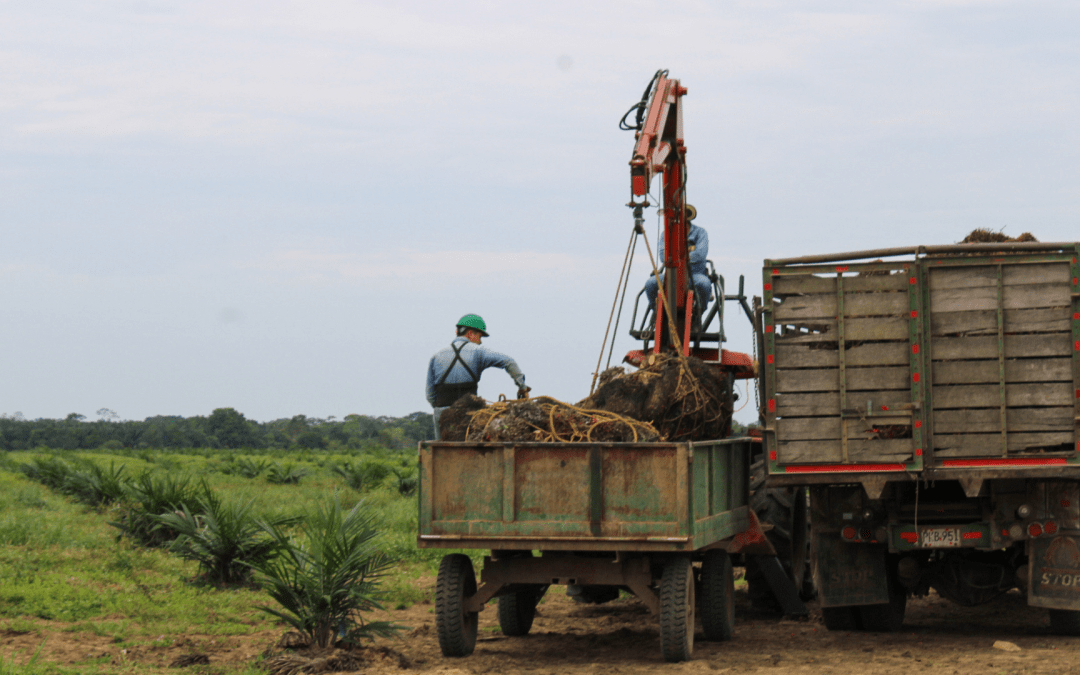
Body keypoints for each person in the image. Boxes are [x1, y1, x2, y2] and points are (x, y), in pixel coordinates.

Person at [425, 314, 530, 440]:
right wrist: (522, 387)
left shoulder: (436, 356)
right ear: (470, 334)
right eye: (480, 337)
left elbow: (430, 394)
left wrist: (441, 409)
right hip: (468, 413)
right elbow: (509, 362)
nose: (480, 342)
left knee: (442, 452)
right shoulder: (478, 351)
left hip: (442, 414)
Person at [643, 204, 712, 315]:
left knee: (704, 285)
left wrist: (677, 259)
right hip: (671, 276)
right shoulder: (666, 234)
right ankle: (656, 312)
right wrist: (682, 258)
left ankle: (698, 314)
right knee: (650, 284)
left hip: (694, 275)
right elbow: (662, 256)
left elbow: (700, 254)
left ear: (688, 216)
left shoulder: (700, 233)